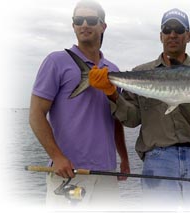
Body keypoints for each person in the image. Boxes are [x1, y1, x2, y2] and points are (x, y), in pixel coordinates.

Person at [89, 8, 190, 210]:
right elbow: (132, 120)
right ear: (161, 36)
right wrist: (112, 93)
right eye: (167, 29)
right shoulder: (141, 73)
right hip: (157, 159)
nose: (173, 34)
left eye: (178, 29)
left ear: (189, 35)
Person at [29, 0, 130, 209]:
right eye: (78, 20)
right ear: (73, 25)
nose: (84, 24)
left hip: (106, 173)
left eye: (91, 20)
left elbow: (115, 119)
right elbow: (36, 115)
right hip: (68, 172)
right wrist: (57, 157)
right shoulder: (56, 61)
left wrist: (124, 158)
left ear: (103, 26)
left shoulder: (113, 70)